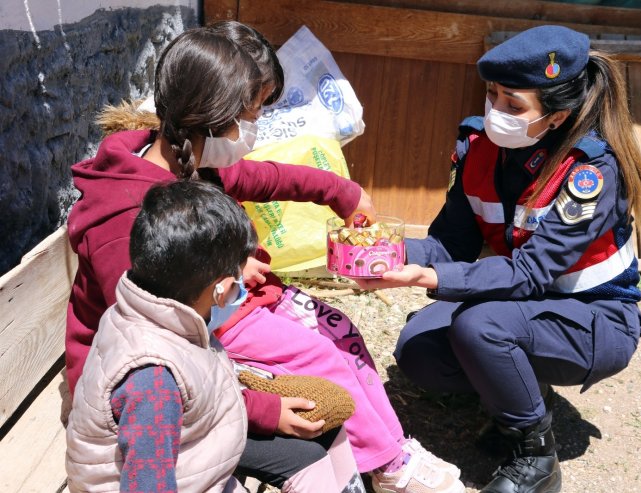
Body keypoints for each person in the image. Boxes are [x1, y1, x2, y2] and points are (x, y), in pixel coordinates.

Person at [66, 20, 463, 493]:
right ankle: (387, 463)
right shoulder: (127, 221)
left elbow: (266, 177)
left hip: (217, 313)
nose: (254, 130)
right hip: (168, 365)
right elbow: (163, 349)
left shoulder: (189, 159)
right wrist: (264, 406)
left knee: (340, 331)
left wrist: (343, 192)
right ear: (214, 115)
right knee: (320, 356)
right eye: (251, 116)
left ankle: (387, 449)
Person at [357, 25, 641, 493]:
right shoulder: (479, 148)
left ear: (556, 115)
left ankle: (535, 457)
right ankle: (522, 390)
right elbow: (449, 244)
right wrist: (380, 251)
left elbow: (529, 272)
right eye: (492, 95)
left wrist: (427, 277)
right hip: (523, 309)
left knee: (480, 328)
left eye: (513, 104)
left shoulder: (590, 172)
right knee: (419, 351)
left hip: (596, 320)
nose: (496, 111)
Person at [66, 180, 363, 492]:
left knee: (323, 433)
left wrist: (267, 409)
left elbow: (203, 391)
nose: (243, 288)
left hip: (191, 444)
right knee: (309, 460)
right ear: (220, 289)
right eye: (240, 278)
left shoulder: (161, 309)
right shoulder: (152, 380)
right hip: (180, 470)